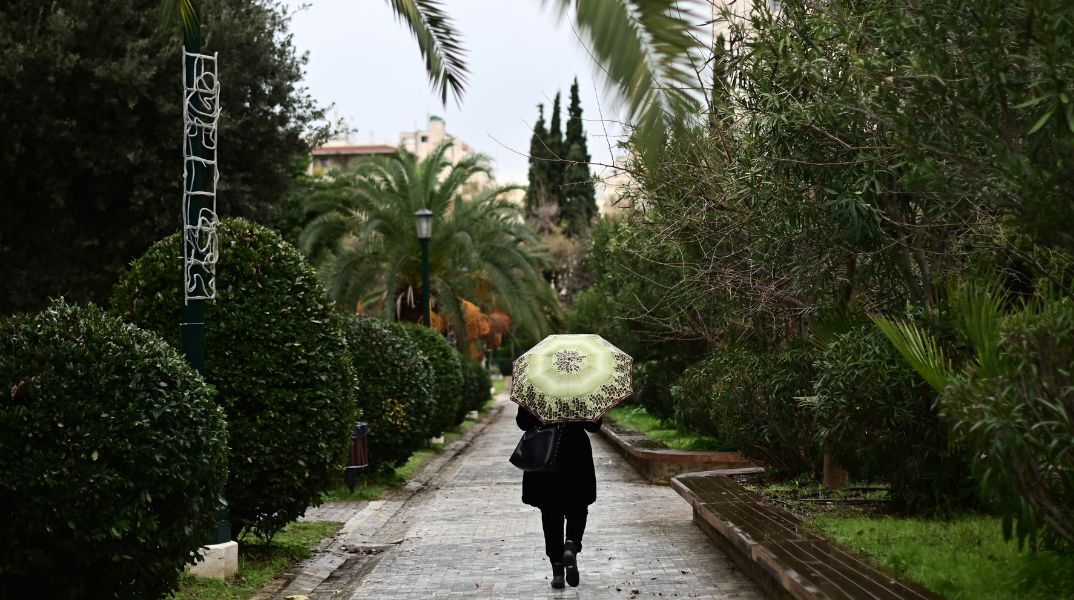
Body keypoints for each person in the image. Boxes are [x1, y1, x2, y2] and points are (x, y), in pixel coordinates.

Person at [516, 405, 602, 589]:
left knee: (550, 514)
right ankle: (571, 545)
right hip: (577, 455)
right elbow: (594, 426)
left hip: (546, 455)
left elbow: (522, 422)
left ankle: (557, 571)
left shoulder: (537, 390)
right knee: (578, 506)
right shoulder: (581, 391)